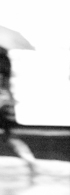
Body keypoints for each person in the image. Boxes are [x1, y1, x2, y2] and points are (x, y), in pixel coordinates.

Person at [0, 46, 37, 179]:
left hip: (2, 102)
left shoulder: (1, 63)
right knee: (9, 135)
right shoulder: (6, 61)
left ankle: (29, 160)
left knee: (9, 136)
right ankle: (29, 159)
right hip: (7, 102)